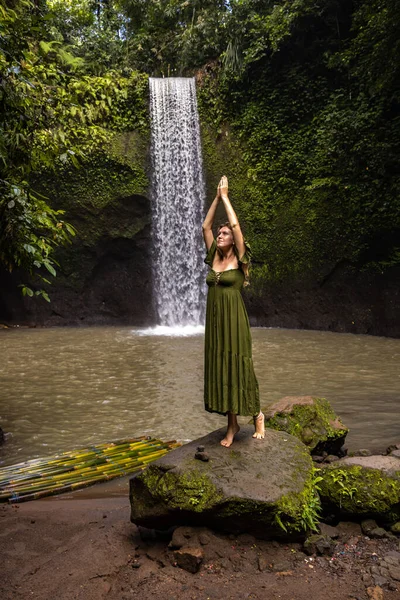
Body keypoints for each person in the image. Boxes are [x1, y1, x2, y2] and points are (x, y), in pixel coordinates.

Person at [202, 175, 264, 447]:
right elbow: (205, 225)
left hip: (234, 318)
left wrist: (226, 197)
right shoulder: (214, 254)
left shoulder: (239, 258)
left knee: (239, 363)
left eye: (224, 233)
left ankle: (257, 415)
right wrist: (215, 199)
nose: (220, 234)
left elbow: (236, 225)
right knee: (222, 366)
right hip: (215, 319)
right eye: (220, 233)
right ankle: (232, 424)